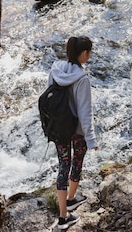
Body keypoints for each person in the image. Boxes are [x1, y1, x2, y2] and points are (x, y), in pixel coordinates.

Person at [47, 36, 98, 230]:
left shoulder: (55, 69)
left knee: (63, 166)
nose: (90, 55)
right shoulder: (82, 79)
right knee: (76, 162)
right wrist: (91, 139)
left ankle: (62, 217)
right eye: (90, 52)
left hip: (59, 128)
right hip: (76, 130)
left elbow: (49, 96)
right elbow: (85, 112)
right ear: (84, 53)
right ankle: (71, 199)